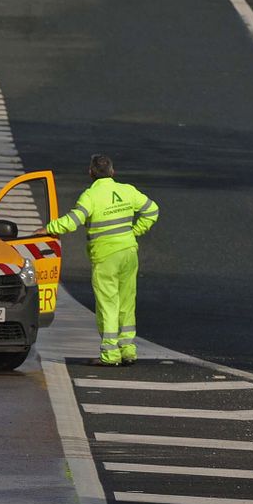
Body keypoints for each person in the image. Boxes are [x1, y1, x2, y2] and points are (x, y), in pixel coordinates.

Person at [44, 155, 160, 366]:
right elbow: (152, 210)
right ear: (113, 172)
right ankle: (128, 350)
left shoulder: (90, 196)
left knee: (108, 304)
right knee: (127, 301)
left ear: (91, 173)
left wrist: (48, 228)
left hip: (105, 256)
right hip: (129, 252)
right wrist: (135, 231)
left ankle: (110, 354)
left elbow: (73, 221)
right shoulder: (127, 190)